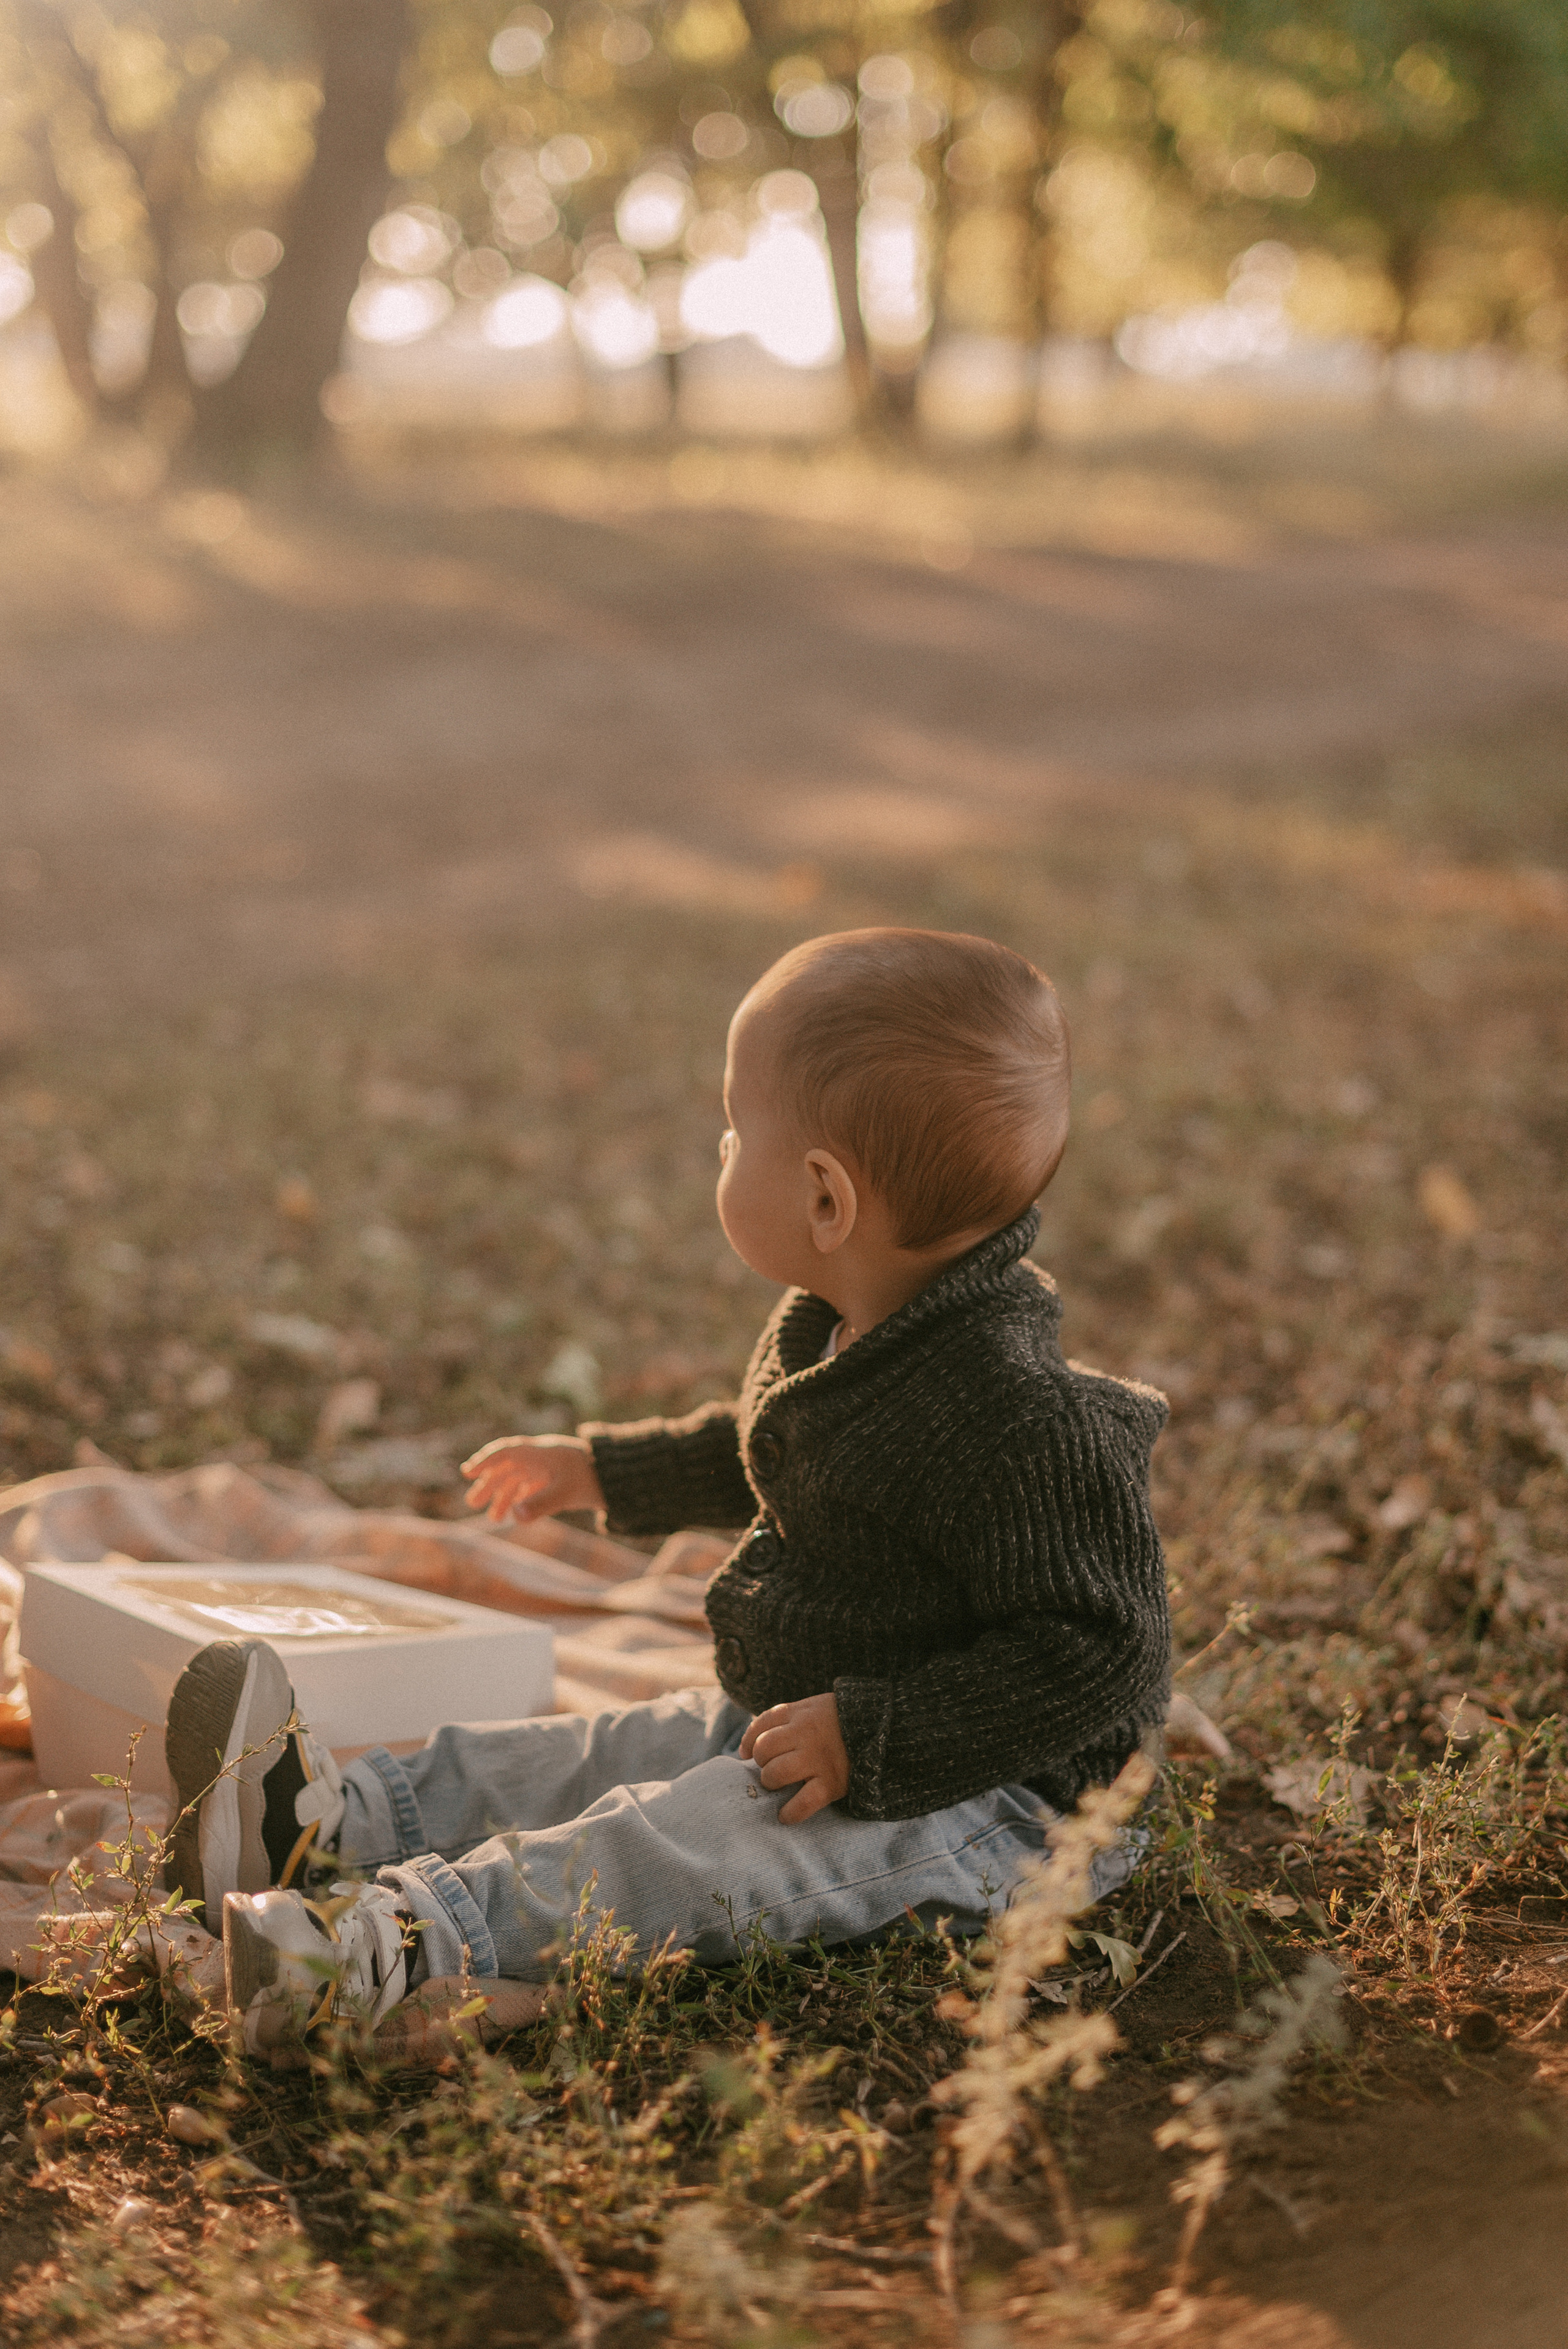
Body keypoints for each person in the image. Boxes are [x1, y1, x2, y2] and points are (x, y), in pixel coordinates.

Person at [165, 928, 1172, 2056]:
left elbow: (1102, 1650)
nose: (724, 1144)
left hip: (997, 1801)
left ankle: (393, 1944)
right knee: (598, 1755)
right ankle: (326, 1826)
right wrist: (600, 1469)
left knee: (685, 1844)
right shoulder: (852, 1326)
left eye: (737, 1129)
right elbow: (764, 1448)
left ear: (828, 1200)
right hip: (814, 1712)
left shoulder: (1025, 1419)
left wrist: (877, 1733)